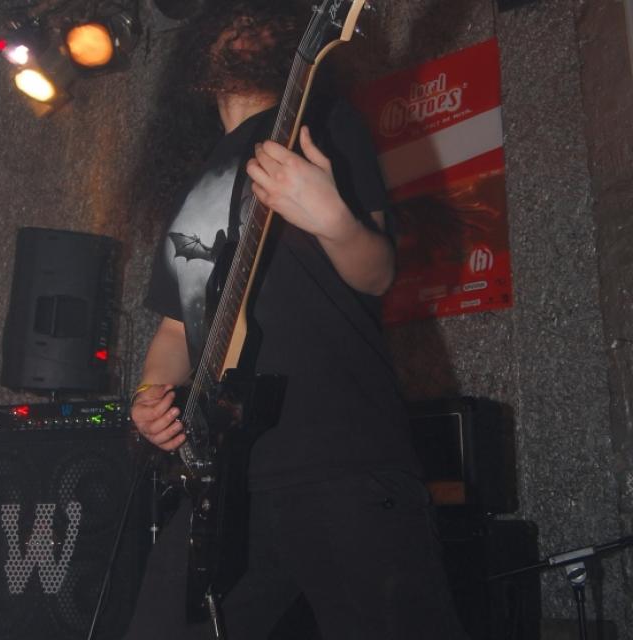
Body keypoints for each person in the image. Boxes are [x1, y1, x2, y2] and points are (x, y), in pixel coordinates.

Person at [127, 1, 468, 639]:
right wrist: (151, 396)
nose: (247, 24)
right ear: (199, 47)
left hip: (341, 456)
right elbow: (176, 330)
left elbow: (377, 273)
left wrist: (332, 219)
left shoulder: (324, 125)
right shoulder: (191, 188)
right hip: (225, 478)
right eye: (231, 16)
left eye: (261, 15)